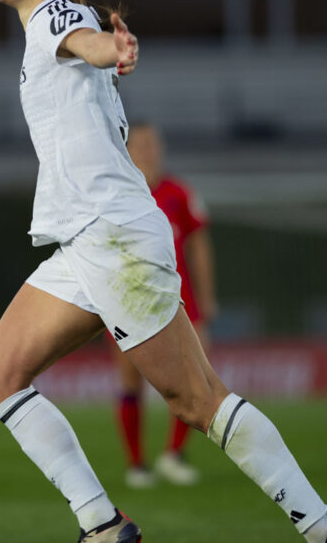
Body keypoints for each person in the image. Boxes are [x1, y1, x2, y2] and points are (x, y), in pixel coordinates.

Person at [0, 0, 327, 543]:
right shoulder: (54, 26)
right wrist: (109, 45)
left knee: (196, 401)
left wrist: (111, 46)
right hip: (87, 243)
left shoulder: (55, 15)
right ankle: (102, 525)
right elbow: (91, 43)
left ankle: (325, 528)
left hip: (115, 238)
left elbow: (87, 38)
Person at [112, 122, 217, 489]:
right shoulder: (117, 193)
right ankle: (136, 464)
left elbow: (199, 245)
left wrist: (207, 297)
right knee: (131, 380)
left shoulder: (178, 193)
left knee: (196, 379)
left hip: (182, 301)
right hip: (130, 303)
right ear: (126, 148)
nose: (148, 149)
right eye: (140, 143)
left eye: (154, 142)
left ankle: (173, 455)